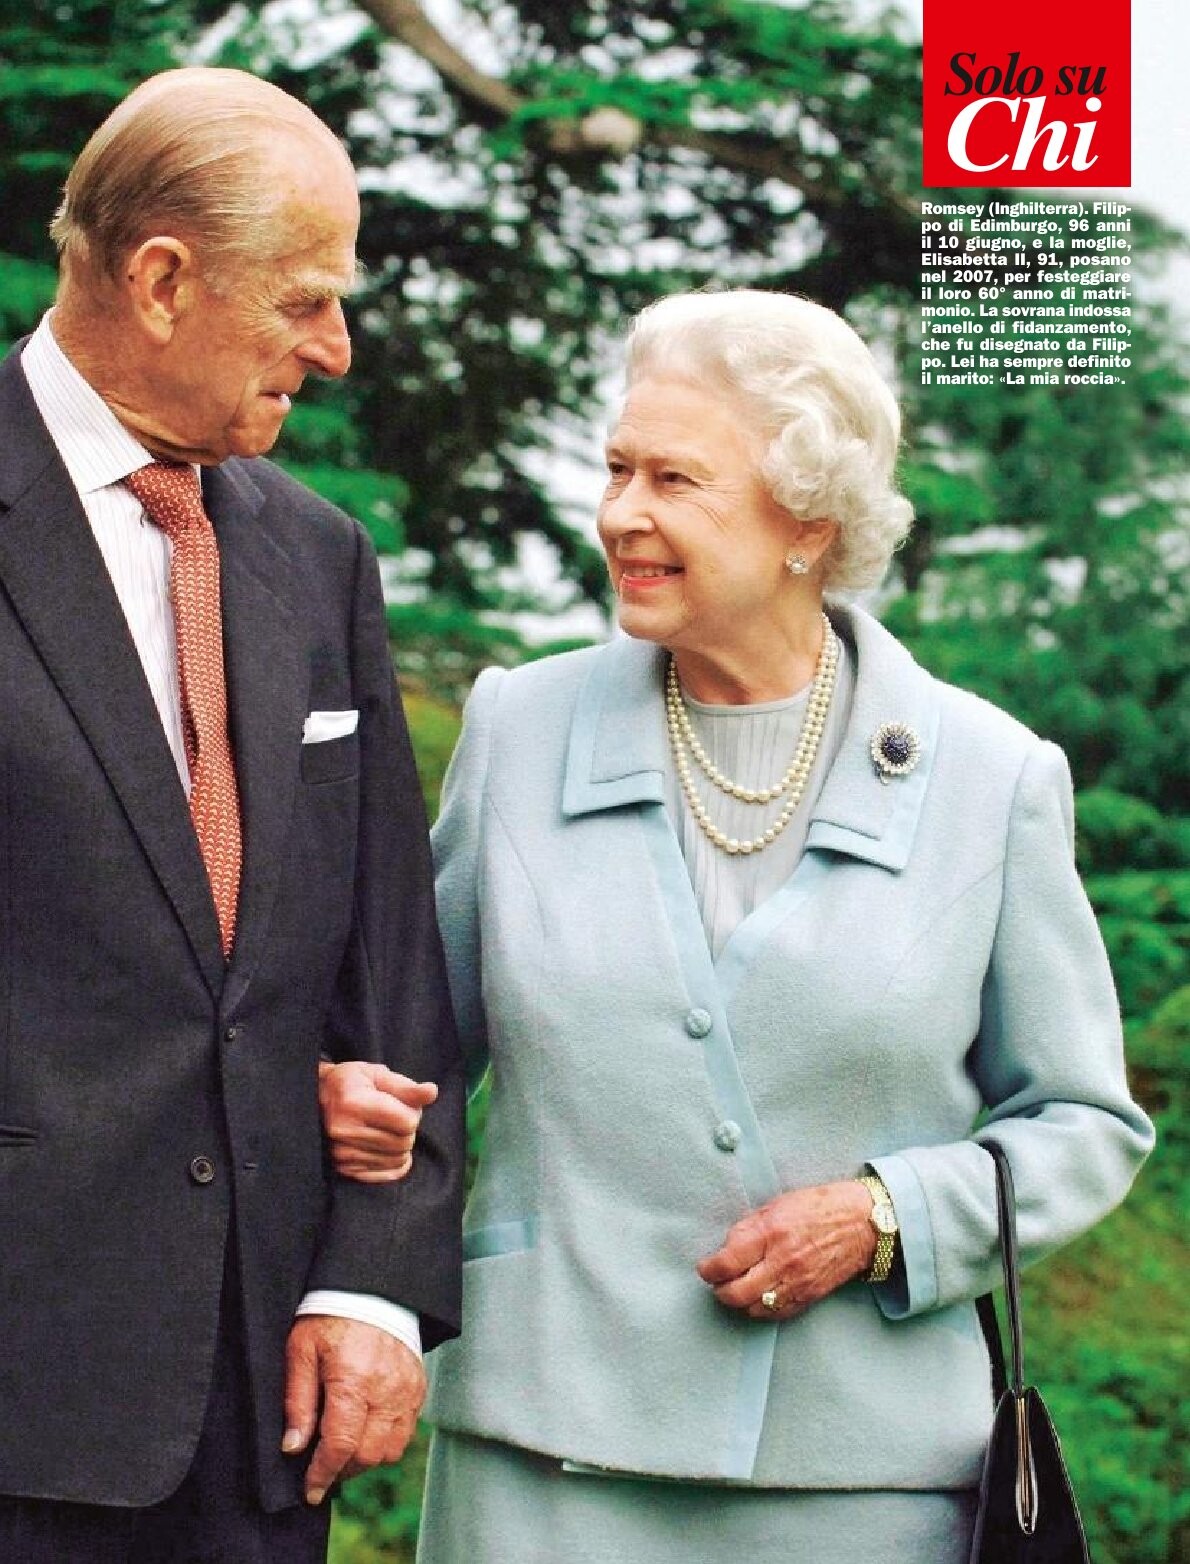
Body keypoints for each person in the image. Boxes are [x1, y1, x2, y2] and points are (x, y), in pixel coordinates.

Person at [321, 289, 1153, 1562]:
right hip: (541, 1457)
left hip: (864, 1482)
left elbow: (1083, 1121)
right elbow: (408, 1047)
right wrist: (343, 1090)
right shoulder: (518, 729)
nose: (620, 513)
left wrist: (887, 1216)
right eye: (615, 469)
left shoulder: (989, 779)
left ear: (807, 523)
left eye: (672, 480)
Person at [0, 68, 464, 1562]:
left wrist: (372, 1282)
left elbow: (391, 970)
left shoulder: (318, 557)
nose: (334, 348)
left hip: (260, 1419)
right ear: (160, 281)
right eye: (305, 301)